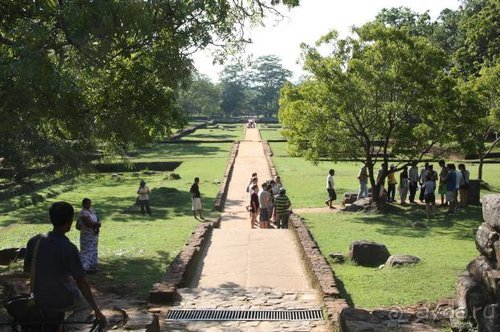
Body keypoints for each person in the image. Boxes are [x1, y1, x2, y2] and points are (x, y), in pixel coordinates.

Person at [24, 202, 106, 329]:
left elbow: (27, 269)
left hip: (38, 296)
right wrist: (97, 310)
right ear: (69, 221)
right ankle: (63, 328)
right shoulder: (68, 248)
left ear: (50, 219)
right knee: (86, 306)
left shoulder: (35, 241)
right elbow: (82, 282)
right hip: (61, 298)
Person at [78, 198, 101, 274]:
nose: (89, 205)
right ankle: (85, 267)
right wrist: (97, 224)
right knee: (86, 250)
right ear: (83, 204)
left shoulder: (91, 211)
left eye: (90, 203)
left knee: (93, 249)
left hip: (93, 235)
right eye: (88, 203)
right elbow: (88, 224)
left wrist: (97, 225)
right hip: (87, 235)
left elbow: (97, 219)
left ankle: (92, 266)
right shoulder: (83, 213)